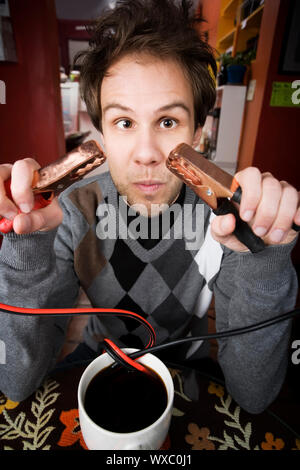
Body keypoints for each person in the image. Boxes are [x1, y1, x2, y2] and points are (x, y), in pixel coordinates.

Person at [0, 0, 299, 413]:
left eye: (168, 121)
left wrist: (266, 261)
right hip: (95, 357)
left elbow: (254, 395)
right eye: (124, 123)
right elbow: (15, 382)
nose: (146, 154)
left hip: (187, 367)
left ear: (197, 131)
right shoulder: (67, 212)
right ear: (101, 131)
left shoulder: (228, 224)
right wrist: (25, 248)